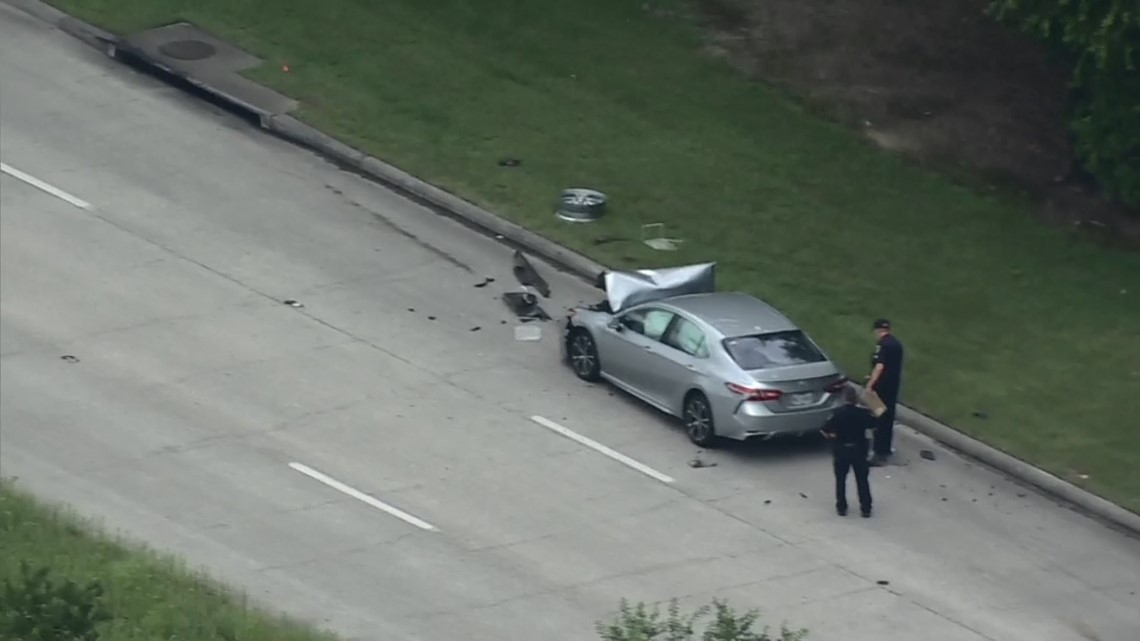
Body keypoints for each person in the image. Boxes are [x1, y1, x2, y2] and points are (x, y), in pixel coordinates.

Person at [822, 386, 875, 517]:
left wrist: (832, 437)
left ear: (843, 398)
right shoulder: (863, 413)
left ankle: (841, 507)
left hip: (841, 449)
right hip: (859, 449)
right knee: (862, 480)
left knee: (840, 479)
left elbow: (825, 429)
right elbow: (876, 421)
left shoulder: (836, 413)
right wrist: (873, 400)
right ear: (856, 398)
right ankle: (866, 508)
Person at [865, 318, 904, 466]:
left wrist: (870, 383)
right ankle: (886, 449)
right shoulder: (897, 344)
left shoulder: (882, 345)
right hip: (893, 387)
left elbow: (880, 366)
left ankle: (878, 453)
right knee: (888, 419)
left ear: (878, 330)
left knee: (878, 419)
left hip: (881, 388)